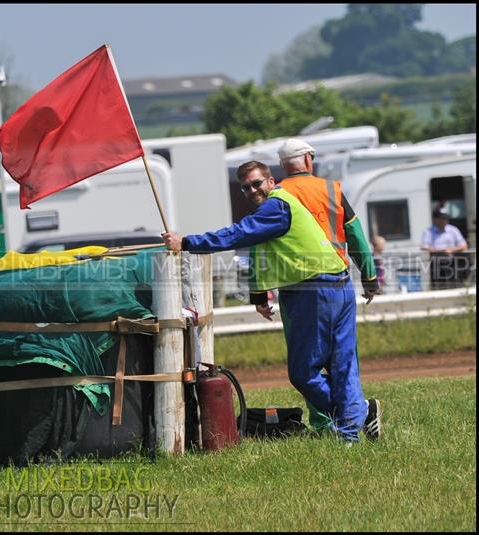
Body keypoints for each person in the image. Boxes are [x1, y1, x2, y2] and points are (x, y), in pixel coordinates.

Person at [162, 160, 381, 444]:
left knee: (304, 373)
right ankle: (350, 436)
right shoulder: (277, 206)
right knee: (343, 366)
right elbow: (260, 253)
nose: (252, 190)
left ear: (271, 181)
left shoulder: (276, 207)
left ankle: (358, 414)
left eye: (256, 183)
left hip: (313, 292)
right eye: (246, 187)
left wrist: (187, 243)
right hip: (337, 285)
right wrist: (258, 293)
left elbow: (236, 235)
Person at [276, 138, 381, 433]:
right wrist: (370, 277)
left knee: (306, 359)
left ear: (283, 165)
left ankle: (329, 421)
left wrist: (258, 289)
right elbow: (356, 235)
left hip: (296, 285)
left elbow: (263, 244)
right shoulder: (331, 189)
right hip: (338, 282)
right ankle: (355, 415)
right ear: (309, 160)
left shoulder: (277, 194)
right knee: (342, 359)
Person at [421, 209, 468, 290]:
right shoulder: (428, 232)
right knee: (438, 289)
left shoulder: (453, 230)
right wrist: (439, 252)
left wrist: (452, 250)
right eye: (442, 218)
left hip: (453, 264)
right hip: (436, 265)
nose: (445, 220)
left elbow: (464, 246)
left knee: (456, 287)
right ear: (435, 219)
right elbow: (424, 247)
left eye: (446, 217)